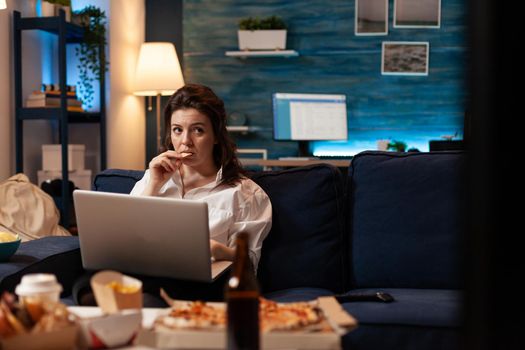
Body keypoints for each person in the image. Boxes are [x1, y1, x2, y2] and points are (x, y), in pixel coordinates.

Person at [73, 84, 272, 306]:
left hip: (204, 281)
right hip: (147, 268)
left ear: (216, 135)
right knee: (76, 273)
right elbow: (125, 237)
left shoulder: (246, 193)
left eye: (198, 130)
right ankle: (125, 298)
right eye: (178, 130)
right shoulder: (154, 177)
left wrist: (218, 249)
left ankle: (125, 299)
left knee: (130, 289)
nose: (185, 141)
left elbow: (249, 264)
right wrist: (154, 185)